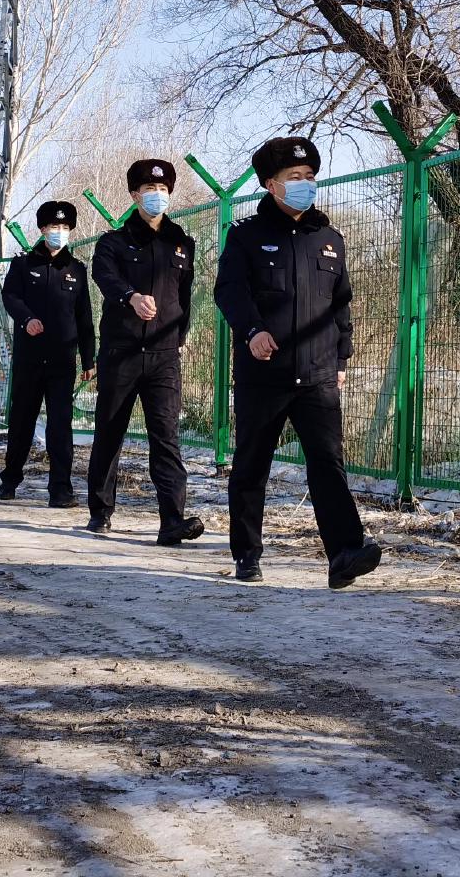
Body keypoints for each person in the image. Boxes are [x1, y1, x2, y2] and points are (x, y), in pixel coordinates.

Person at [215, 135, 383, 588]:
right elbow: (229, 292)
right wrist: (252, 331)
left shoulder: (329, 240)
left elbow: (341, 305)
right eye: (294, 177)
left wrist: (342, 358)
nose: (305, 183)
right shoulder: (246, 236)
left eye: (310, 176)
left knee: (328, 464)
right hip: (263, 372)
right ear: (271, 184)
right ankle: (247, 553)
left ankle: (344, 554)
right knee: (252, 465)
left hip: (318, 375)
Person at [85, 158, 206, 545]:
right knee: (110, 431)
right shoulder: (113, 243)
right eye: (150, 189)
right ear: (135, 195)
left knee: (166, 436)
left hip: (164, 357)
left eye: (163, 190)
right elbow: (104, 276)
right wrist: (131, 297)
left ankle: (172, 521)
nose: (157, 195)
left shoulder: (182, 243)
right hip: (120, 353)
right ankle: (100, 510)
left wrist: (181, 335)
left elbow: (184, 296)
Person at [0, 200, 95, 507]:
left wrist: (89, 359)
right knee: (22, 421)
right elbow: (10, 296)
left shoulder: (76, 270)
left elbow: (84, 317)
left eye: (65, 227)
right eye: (54, 226)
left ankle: (61, 490)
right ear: (42, 229)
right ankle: (10, 479)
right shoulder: (23, 265)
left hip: (62, 361)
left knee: (60, 426)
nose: (59, 232)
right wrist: (26, 319)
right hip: (29, 359)